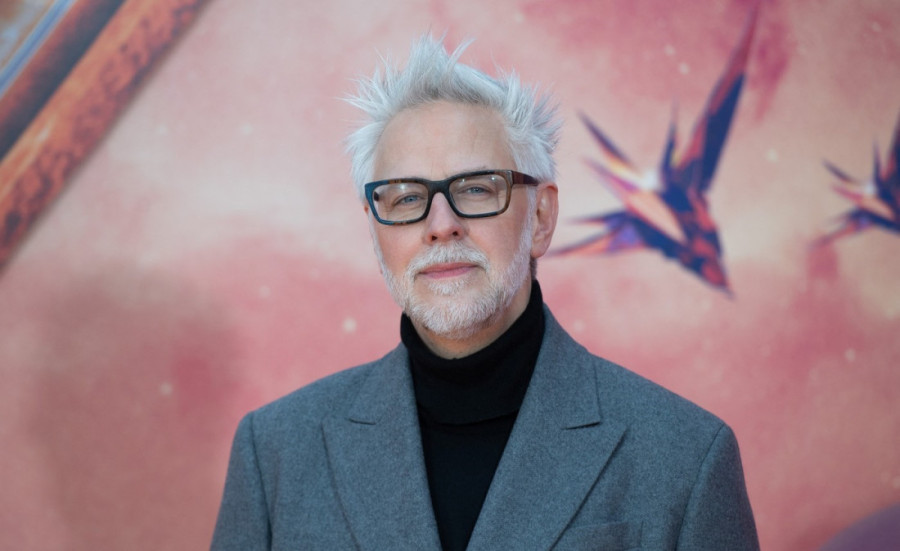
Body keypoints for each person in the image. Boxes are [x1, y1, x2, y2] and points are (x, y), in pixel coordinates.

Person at [211, 35, 759, 550]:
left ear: (541, 217)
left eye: (476, 189)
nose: (441, 225)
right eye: (406, 198)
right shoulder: (274, 453)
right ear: (375, 229)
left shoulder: (687, 457)